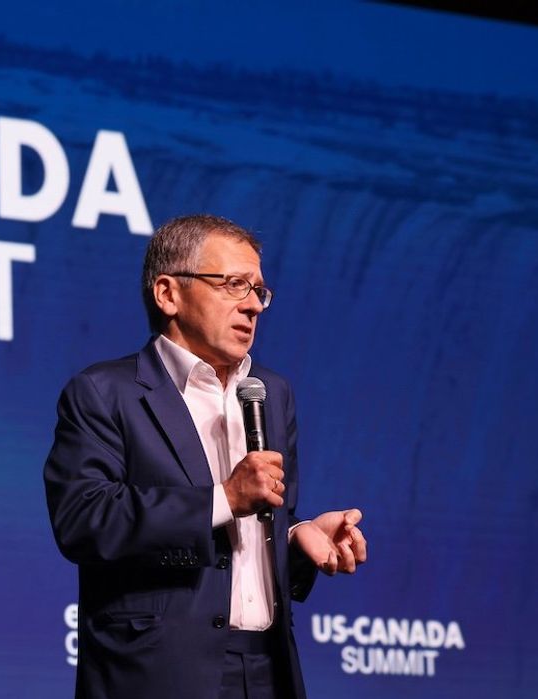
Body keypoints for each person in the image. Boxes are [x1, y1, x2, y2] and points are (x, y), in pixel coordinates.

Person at [44, 214, 367, 699]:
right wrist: (224, 499)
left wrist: (296, 537)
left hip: (269, 668)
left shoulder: (271, 392)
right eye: (234, 284)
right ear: (168, 294)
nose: (253, 304)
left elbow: (253, 538)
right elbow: (85, 521)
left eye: (259, 290)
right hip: (158, 672)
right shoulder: (105, 392)